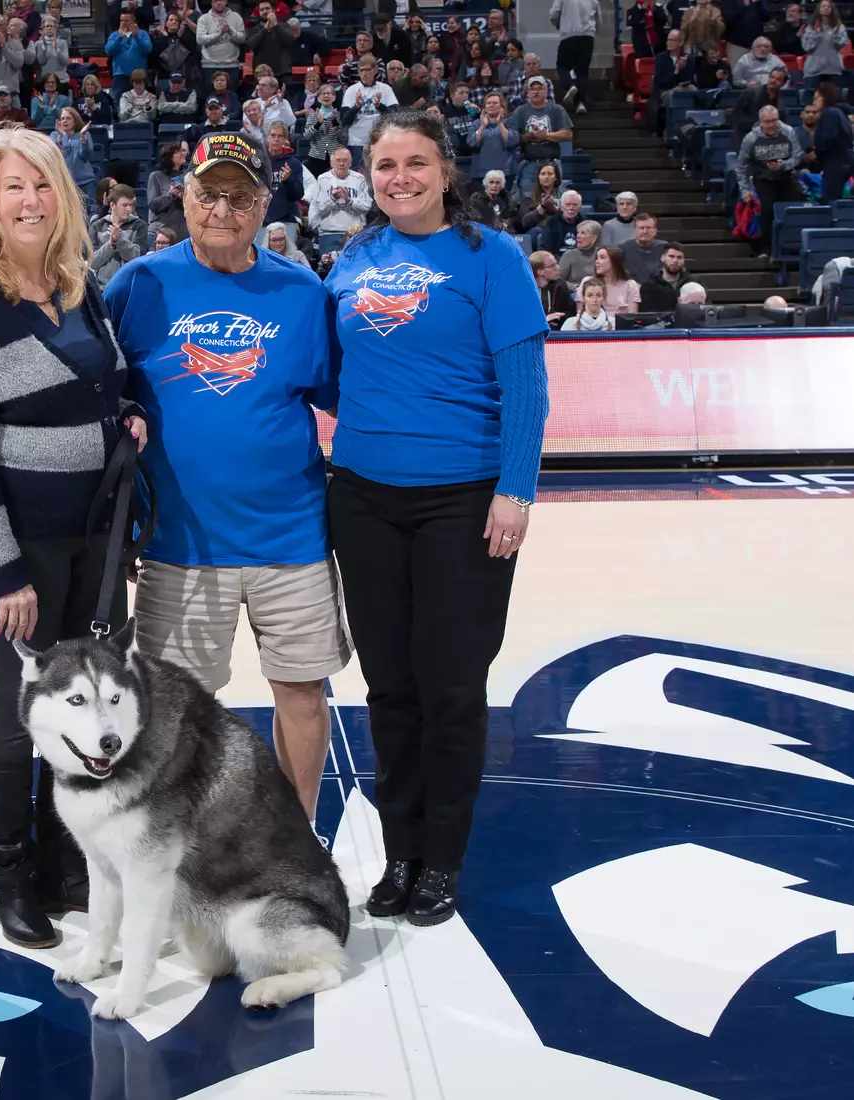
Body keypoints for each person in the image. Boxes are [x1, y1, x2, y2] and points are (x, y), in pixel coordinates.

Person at [324, 109, 549, 927]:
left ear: (446, 171)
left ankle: (442, 861)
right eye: (385, 165)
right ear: (367, 176)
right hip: (363, 497)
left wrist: (516, 489)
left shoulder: (493, 257)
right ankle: (401, 853)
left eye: (415, 163)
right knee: (390, 688)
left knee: (451, 687)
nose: (400, 178)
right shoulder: (353, 258)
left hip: (464, 499)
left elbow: (526, 385)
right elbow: (331, 372)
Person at [0, 127, 147, 949]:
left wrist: (131, 413)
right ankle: (11, 874)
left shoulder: (79, 283)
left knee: (87, 701)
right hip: (21, 544)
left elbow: (107, 384)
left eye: (43, 184)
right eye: (13, 186)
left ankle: (65, 860)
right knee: (23, 706)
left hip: (96, 536)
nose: (30, 201)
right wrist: (4, 569)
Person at [106, 128, 347, 831]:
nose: (222, 210)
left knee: (302, 694)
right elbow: (100, 397)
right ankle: (181, 850)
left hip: (291, 536)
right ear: (183, 196)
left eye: (240, 197)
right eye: (209, 192)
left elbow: (341, 397)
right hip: (179, 541)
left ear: (265, 206)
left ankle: (295, 839)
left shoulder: (302, 293)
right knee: (175, 710)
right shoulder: (138, 285)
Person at [737, 105, 802, 250]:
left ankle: (792, 246)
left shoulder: (788, 132)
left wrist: (783, 165)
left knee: (794, 209)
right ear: (760, 122)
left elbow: (797, 156)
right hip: (763, 178)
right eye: (767, 122)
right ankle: (768, 248)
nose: (772, 125)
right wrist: (744, 189)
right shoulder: (751, 139)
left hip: (786, 176)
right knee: (767, 210)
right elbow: (741, 166)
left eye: (774, 120)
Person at [509, 78, 572, 194]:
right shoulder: (520, 111)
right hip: (529, 164)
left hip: (552, 164)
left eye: (539, 89)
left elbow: (568, 134)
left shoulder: (557, 110)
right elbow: (511, 138)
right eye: (532, 89)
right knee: (527, 199)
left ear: (546, 91)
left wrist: (545, 135)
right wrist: (529, 136)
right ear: (527, 92)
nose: (536, 92)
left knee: (553, 199)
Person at [306, 145, 373, 234]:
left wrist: (348, 200)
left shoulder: (359, 179)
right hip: (328, 232)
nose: (341, 163)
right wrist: (333, 199)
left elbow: (366, 207)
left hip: (354, 232)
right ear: (331, 163)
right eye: (338, 160)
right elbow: (320, 209)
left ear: (350, 163)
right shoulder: (322, 179)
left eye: (345, 160)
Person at [89, 180, 145, 286]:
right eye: (124, 205)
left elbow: (138, 259)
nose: (129, 209)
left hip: (130, 286)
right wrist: (110, 244)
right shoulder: (97, 226)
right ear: (112, 205)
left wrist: (120, 240)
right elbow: (93, 263)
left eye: (131, 205)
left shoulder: (139, 225)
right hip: (103, 288)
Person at [551, 0, 599, 112]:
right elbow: (598, 18)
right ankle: (581, 103)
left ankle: (569, 85)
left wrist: (559, 25)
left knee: (562, 65)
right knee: (582, 70)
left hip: (569, 34)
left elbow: (553, 14)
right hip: (587, 36)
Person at [49, 106, 96, 204]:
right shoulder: (54, 135)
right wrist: (64, 136)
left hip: (86, 182)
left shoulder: (84, 134)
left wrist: (82, 137)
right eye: (62, 119)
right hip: (65, 183)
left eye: (68, 118)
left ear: (75, 120)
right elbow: (60, 156)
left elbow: (86, 156)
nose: (65, 121)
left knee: (91, 210)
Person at [529, 249, 577, 328]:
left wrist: (559, 317)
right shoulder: (526, 290)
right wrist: (544, 319)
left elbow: (571, 312)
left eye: (556, 264)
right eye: (552, 266)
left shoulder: (560, 285)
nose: (557, 268)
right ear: (540, 271)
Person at [638, 241, 690, 311]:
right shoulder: (649, 286)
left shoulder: (693, 283)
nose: (675, 260)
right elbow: (648, 315)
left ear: (683, 261)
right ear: (662, 258)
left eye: (679, 257)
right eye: (671, 256)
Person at [594, 243, 641, 315]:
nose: (597, 261)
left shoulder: (630, 285)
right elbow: (581, 315)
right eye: (597, 258)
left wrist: (624, 313)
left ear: (614, 261)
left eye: (602, 258)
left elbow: (632, 317)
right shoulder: (588, 283)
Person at [621, 212, 668, 283]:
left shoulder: (665, 247)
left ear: (655, 230)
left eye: (648, 228)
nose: (645, 231)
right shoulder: (624, 248)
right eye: (641, 228)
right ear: (635, 230)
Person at [558, 218, 601, 290]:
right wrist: (576, 287)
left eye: (583, 233)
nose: (578, 236)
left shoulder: (601, 254)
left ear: (594, 238)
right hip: (574, 292)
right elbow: (558, 280)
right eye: (578, 232)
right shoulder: (569, 255)